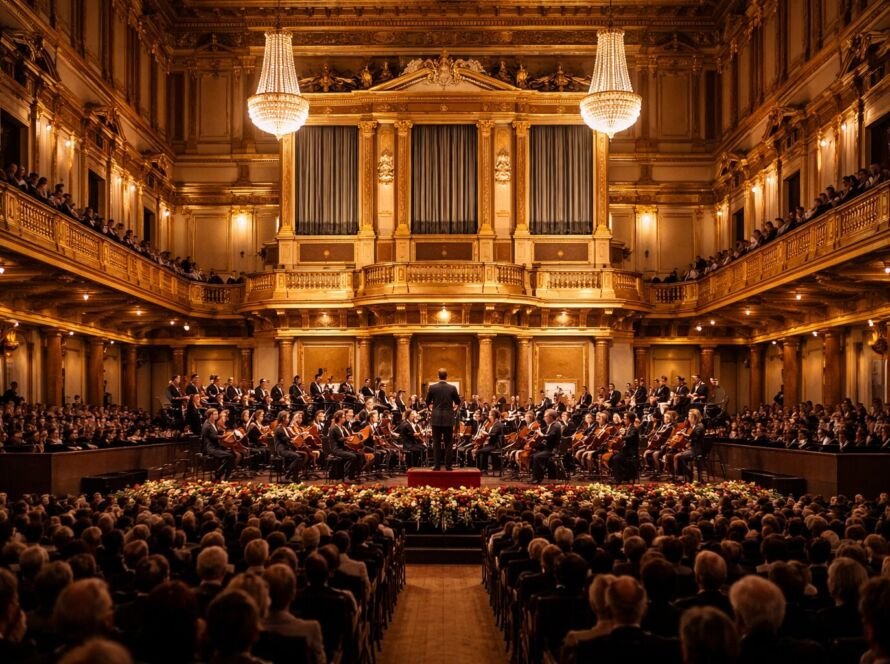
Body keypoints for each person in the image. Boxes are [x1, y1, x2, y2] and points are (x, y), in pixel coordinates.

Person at [425, 369, 460, 470]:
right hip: (448, 417)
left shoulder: (432, 387)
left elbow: (427, 401)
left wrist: (431, 409)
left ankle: (436, 466)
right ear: (446, 376)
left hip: (435, 417)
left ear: (438, 376)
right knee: (448, 442)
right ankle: (448, 466)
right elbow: (457, 401)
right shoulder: (452, 388)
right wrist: (454, 408)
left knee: (436, 442)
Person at [273, 411, 307, 480]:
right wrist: (294, 441)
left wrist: (296, 439)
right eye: (288, 418)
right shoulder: (279, 429)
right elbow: (286, 440)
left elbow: (290, 438)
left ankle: (292, 475)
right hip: (282, 450)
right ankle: (290, 473)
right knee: (297, 457)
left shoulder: (285, 428)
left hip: (287, 448)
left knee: (304, 455)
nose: (289, 419)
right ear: (283, 418)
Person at [202, 408, 234, 481]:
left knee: (232, 455)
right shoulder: (207, 425)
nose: (217, 416)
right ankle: (218, 474)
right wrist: (225, 436)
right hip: (210, 448)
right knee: (230, 456)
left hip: (215, 447)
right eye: (215, 414)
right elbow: (213, 437)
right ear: (210, 415)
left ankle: (222, 476)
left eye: (217, 414)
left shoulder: (213, 424)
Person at [532, 409, 562, 483]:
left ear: (551, 417)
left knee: (536, 457)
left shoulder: (556, 425)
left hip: (552, 450)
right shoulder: (551, 425)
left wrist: (540, 433)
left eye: (545, 416)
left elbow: (549, 437)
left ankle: (538, 478)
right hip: (548, 448)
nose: (544, 418)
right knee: (533, 453)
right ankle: (537, 476)